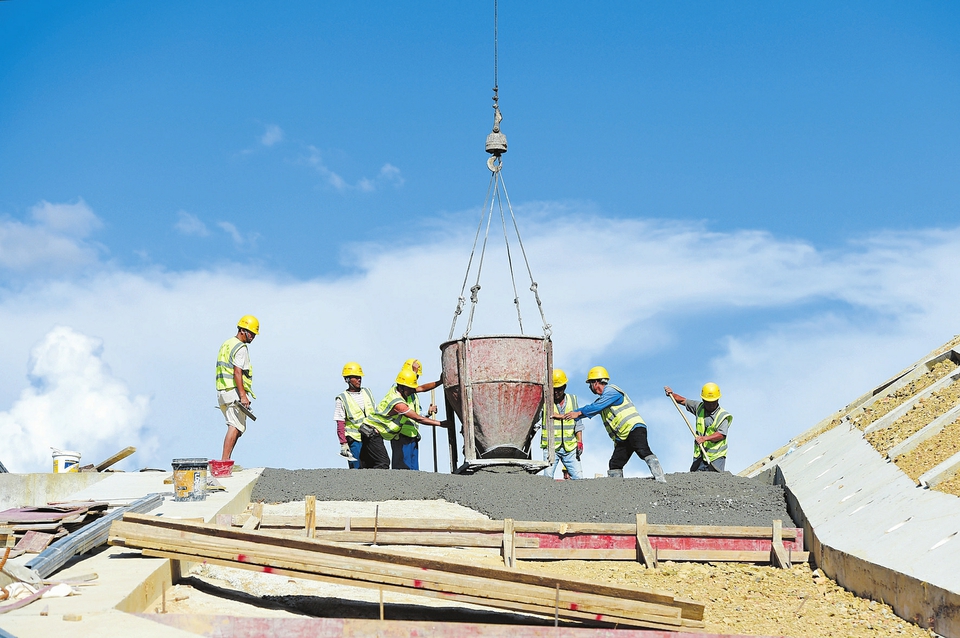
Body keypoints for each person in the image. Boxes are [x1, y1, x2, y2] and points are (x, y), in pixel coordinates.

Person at [556, 366, 666, 482]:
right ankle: (617, 487)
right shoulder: (603, 400)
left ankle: (660, 479)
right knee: (615, 463)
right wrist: (571, 414)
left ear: (596, 382)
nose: (590, 387)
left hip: (634, 428)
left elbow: (595, 407)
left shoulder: (611, 391)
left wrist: (578, 413)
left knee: (643, 450)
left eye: (590, 384)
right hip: (623, 436)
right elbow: (594, 408)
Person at [361, 369, 445, 469]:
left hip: (373, 433)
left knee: (370, 464)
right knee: (382, 463)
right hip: (371, 432)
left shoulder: (403, 389)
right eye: (409, 389)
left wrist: (440, 382)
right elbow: (418, 418)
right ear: (401, 387)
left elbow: (422, 388)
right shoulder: (398, 403)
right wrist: (441, 423)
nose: (412, 391)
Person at [215, 315, 259, 461]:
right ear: (242, 330)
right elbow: (237, 372)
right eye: (251, 333)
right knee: (234, 426)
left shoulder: (227, 343)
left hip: (222, 391)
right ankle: (224, 462)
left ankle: (226, 460)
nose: (253, 337)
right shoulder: (241, 347)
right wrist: (243, 395)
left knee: (237, 427)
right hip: (232, 391)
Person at [664, 383, 733, 472]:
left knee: (715, 480)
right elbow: (682, 401)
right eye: (708, 402)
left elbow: (721, 435)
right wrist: (672, 394)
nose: (711, 405)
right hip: (700, 454)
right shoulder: (699, 407)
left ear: (718, 399)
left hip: (716, 456)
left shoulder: (722, 416)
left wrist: (705, 438)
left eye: (713, 402)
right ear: (703, 400)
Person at [391, 360, 441, 470]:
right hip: (401, 436)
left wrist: (427, 413)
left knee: (414, 471)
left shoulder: (412, 393)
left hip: (412, 435)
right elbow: (414, 415)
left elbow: (417, 413)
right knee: (403, 469)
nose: (416, 379)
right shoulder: (398, 391)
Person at [539, 369, 584, 480]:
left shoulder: (572, 400)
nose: (556, 392)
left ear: (564, 387)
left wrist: (580, 442)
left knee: (579, 478)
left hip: (570, 448)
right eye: (554, 389)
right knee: (547, 478)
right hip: (551, 448)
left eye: (559, 389)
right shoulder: (545, 401)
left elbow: (578, 423)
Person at [334, 362, 375, 469]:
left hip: (370, 437)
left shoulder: (367, 392)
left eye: (359, 377)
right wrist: (343, 444)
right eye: (355, 377)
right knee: (357, 469)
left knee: (374, 468)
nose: (359, 379)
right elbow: (340, 423)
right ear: (347, 379)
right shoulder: (342, 398)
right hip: (355, 440)